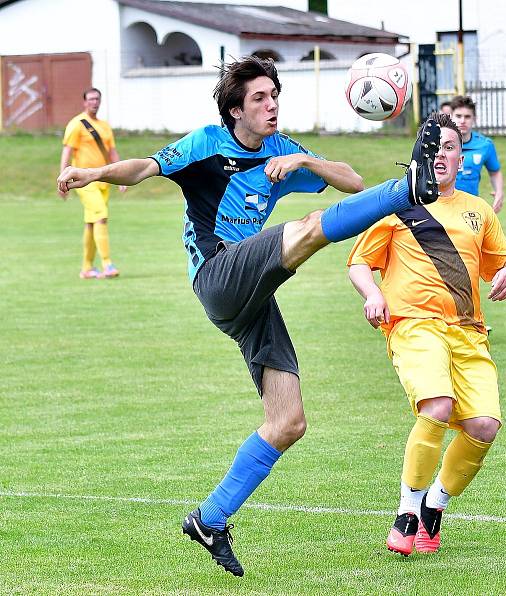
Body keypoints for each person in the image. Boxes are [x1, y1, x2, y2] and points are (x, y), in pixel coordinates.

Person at [57, 56, 442, 577]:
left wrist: (305, 164)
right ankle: (407, 190)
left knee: (288, 422)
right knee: (306, 228)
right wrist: (92, 173)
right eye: (259, 98)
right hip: (218, 275)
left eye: (274, 96)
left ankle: (210, 518)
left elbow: (350, 181)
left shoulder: (283, 150)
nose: (271, 105)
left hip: (251, 296)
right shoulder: (206, 144)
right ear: (235, 110)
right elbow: (144, 168)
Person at [347, 113, 506, 556]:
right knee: (438, 406)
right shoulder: (394, 205)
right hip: (413, 325)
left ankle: (434, 506)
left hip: (467, 331)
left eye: (448, 147)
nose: (440, 155)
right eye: (432, 147)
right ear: (418, 156)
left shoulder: (477, 210)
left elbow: (505, 260)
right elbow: (359, 263)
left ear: (462, 157)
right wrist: (372, 294)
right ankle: (406, 513)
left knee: (484, 426)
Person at [59, 88, 127, 279]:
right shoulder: (76, 124)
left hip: (103, 179)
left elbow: (112, 152)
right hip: (84, 181)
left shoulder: (105, 126)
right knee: (101, 217)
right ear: (84, 102)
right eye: (90, 99)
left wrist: (121, 176)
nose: (94, 102)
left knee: (91, 223)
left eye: (97, 99)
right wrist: (63, 177)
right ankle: (107, 264)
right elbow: (67, 152)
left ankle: (87, 268)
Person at [450, 95, 504, 213]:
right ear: (451, 117)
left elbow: (495, 171)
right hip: (441, 207)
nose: (462, 120)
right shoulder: (437, 143)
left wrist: (499, 191)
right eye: (458, 116)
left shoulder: (485, 145)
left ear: (474, 119)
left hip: (470, 209)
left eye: (467, 116)